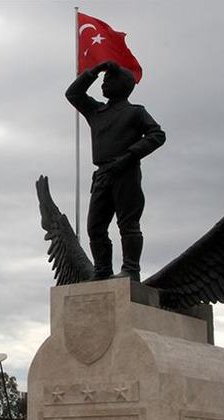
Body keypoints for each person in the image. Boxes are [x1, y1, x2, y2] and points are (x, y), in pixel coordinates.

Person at [66, 60, 166, 281]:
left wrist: (130, 155)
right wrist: (94, 70)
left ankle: (131, 270)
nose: (103, 84)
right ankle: (102, 270)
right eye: (103, 80)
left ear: (122, 84)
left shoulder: (135, 112)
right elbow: (73, 94)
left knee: (128, 224)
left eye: (108, 80)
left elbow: (157, 135)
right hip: (102, 174)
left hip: (125, 172)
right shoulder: (96, 111)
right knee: (95, 227)